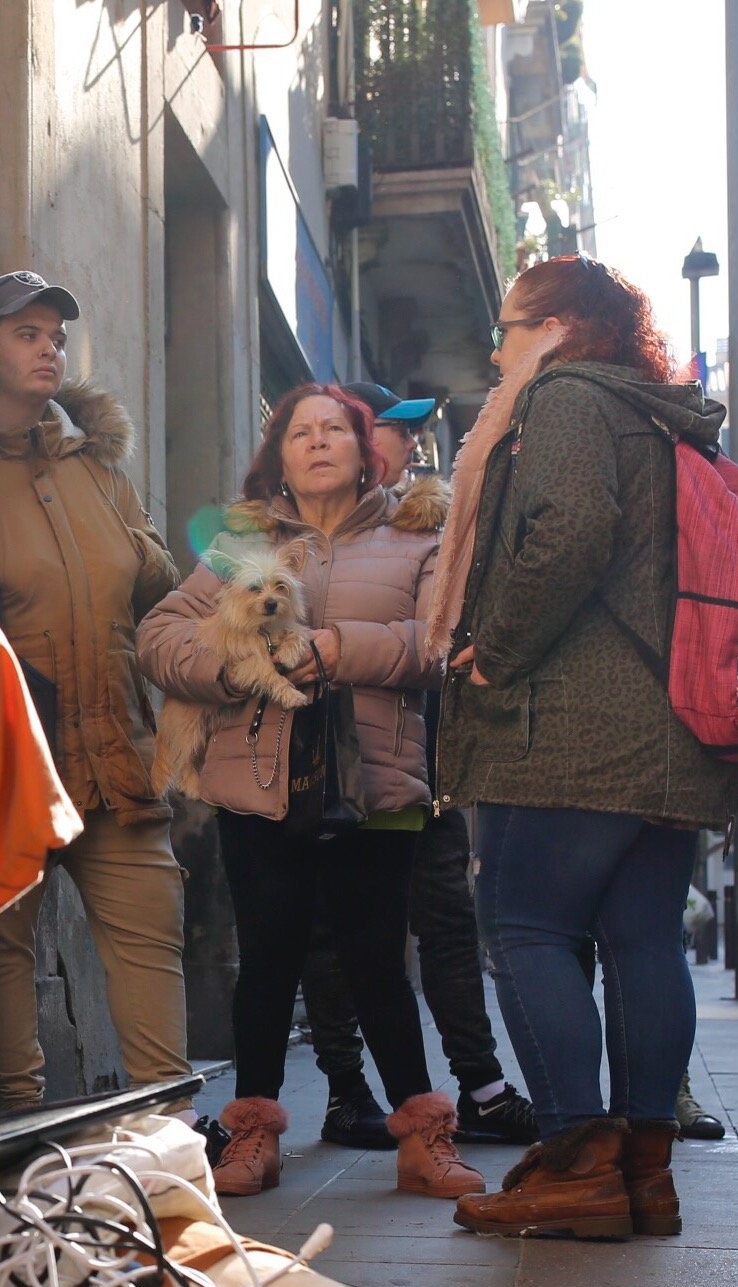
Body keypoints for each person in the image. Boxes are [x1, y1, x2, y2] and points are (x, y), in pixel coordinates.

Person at [426, 255, 738, 1242]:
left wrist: (497, 652)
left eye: (512, 328)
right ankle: (643, 1172)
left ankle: (575, 1160)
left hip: (573, 726)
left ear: (559, 330)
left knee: (523, 928)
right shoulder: (654, 412)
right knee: (641, 938)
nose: (497, 349)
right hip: (669, 728)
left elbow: (569, 528)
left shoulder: (565, 397)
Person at [139, 386, 478, 1201]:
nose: (318, 442)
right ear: (278, 452)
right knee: (267, 959)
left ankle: (424, 1136)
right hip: (259, 782)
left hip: (379, 780)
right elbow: (158, 634)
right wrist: (229, 663)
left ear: (366, 450)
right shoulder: (239, 541)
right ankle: (251, 1135)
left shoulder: (415, 534)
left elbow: (438, 642)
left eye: (335, 429)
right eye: (300, 432)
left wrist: (333, 648)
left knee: (376, 962)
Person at [0, 275, 191, 1114]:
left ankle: (170, 1136)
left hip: (117, 751)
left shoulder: (98, 467)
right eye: (25, 334)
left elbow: (156, 588)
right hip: (8, 755)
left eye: (55, 335)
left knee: (151, 934)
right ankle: (15, 1136)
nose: (48, 348)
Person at [300, 383, 538, 1150]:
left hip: (422, 761)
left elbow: (438, 643)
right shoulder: (284, 530)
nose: (408, 447)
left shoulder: (427, 530)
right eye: (391, 433)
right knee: (332, 934)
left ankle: (481, 1086)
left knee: (444, 922)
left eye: (406, 436)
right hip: (326, 762)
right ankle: (347, 1090)